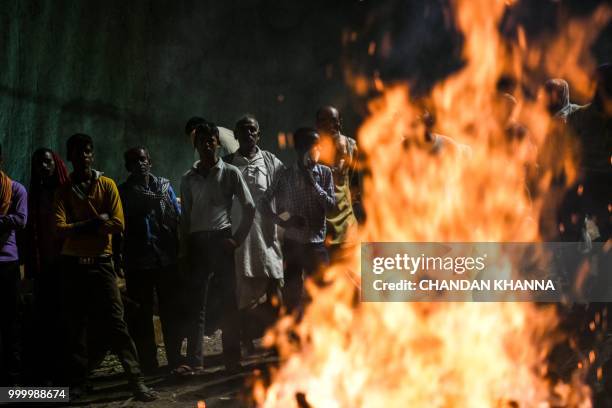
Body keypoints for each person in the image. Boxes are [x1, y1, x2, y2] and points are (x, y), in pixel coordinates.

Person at [54, 134, 157, 401]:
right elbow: (58, 229)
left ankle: (136, 381)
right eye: (78, 152)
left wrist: (79, 229)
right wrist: (94, 224)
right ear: (70, 156)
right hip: (73, 266)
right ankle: (79, 383)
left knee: (117, 323)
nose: (83, 157)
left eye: (87, 151)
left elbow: (118, 224)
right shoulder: (64, 189)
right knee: (76, 326)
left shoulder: (107, 185)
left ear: (93, 155)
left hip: (102, 264)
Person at [180, 121, 255, 374]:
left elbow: (250, 207)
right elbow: (185, 217)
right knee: (196, 305)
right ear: (196, 145)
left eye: (211, 140)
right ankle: (194, 361)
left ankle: (232, 359)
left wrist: (237, 239)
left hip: (222, 241)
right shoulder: (187, 178)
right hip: (198, 242)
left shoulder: (231, 172)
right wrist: (184, 249)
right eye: (202, 141)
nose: (207, 145)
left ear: (217, 143)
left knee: (228, 302)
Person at [223, 115, 285, 349]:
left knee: (274, 285)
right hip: (241, 239)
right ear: (235, 135)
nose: (248, 134)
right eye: (243, 130)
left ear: (258, 135)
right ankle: (245, 341)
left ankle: (279, 341)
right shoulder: (227, 163)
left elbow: (286, 195)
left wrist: (286, 221)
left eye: (252, 130)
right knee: (242, 293)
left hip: (268, 237)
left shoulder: (270, 162)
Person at [119, 147, 182, 374]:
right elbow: (121, 227)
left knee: (171, 312)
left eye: (143, 159)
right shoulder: (124, 192)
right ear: (128, 167)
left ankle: (175, 359)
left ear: (150, 162)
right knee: (142, 317)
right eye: (134, 161)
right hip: (138, 261)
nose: (139, 164)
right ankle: (149, 364)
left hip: (165, 258)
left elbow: (176, 216)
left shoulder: (164, 187)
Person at [260, 127, 335, 314]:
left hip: (317, 245)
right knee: (292, 295)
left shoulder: (325, 173)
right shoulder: (285, 175)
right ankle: (292, 336)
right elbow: (262, 203)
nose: (316, 150)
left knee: (321, 294)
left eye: (318, 146)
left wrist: (313, 183)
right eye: (311, 146)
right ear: (300, 149)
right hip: (294, 244)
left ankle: (321, 336)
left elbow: (332, 207)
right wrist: (284, 221)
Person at [24, 148, 69, 384]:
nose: (43, 166)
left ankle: (67, 376)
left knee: (66, 320)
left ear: (56, 164)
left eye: (47, 161)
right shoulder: (35, 194)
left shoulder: (66, 191)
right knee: (46, 320)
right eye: (38, 163)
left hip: (66, 265)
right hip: (45, 267)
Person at [315, 106, 359, 258]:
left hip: (346, 229)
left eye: (333, 121)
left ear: (340, 123)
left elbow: (354, 183)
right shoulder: (312, 151)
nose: (329, 125)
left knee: (352, 278)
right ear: (317, 125)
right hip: (321, 230)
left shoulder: (351, 147)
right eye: (323, 121)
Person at [0, 143, 27, 386]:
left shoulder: (15, 189)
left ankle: (12, 383)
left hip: (7, 263)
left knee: (10, 323)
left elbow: (20, 220)